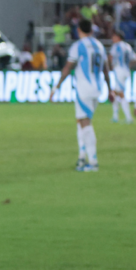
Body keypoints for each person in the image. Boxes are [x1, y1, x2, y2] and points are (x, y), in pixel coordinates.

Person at [51, 19, 111, 172]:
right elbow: (106, 69)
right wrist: (110, 89)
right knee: (82, 121)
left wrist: (56, 87)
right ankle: (82, 157)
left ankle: (93, 161)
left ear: (79, 30)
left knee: (85, 124)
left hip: (84, 88)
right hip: (97, 88)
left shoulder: (78, 46)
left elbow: (67, 67)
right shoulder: (99, 45)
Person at [108, 31, 136, 123]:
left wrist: (110, 66)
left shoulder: (116, 46)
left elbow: (110, 57)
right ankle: (115, 116)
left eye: (114, 36)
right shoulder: (127, 46)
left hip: (118, 70)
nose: (112, 39)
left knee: (120, 93)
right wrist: (128, 66)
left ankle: (129, 118)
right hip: (126, 71)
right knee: (114, 93)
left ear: (118, 37)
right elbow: (134, 59)